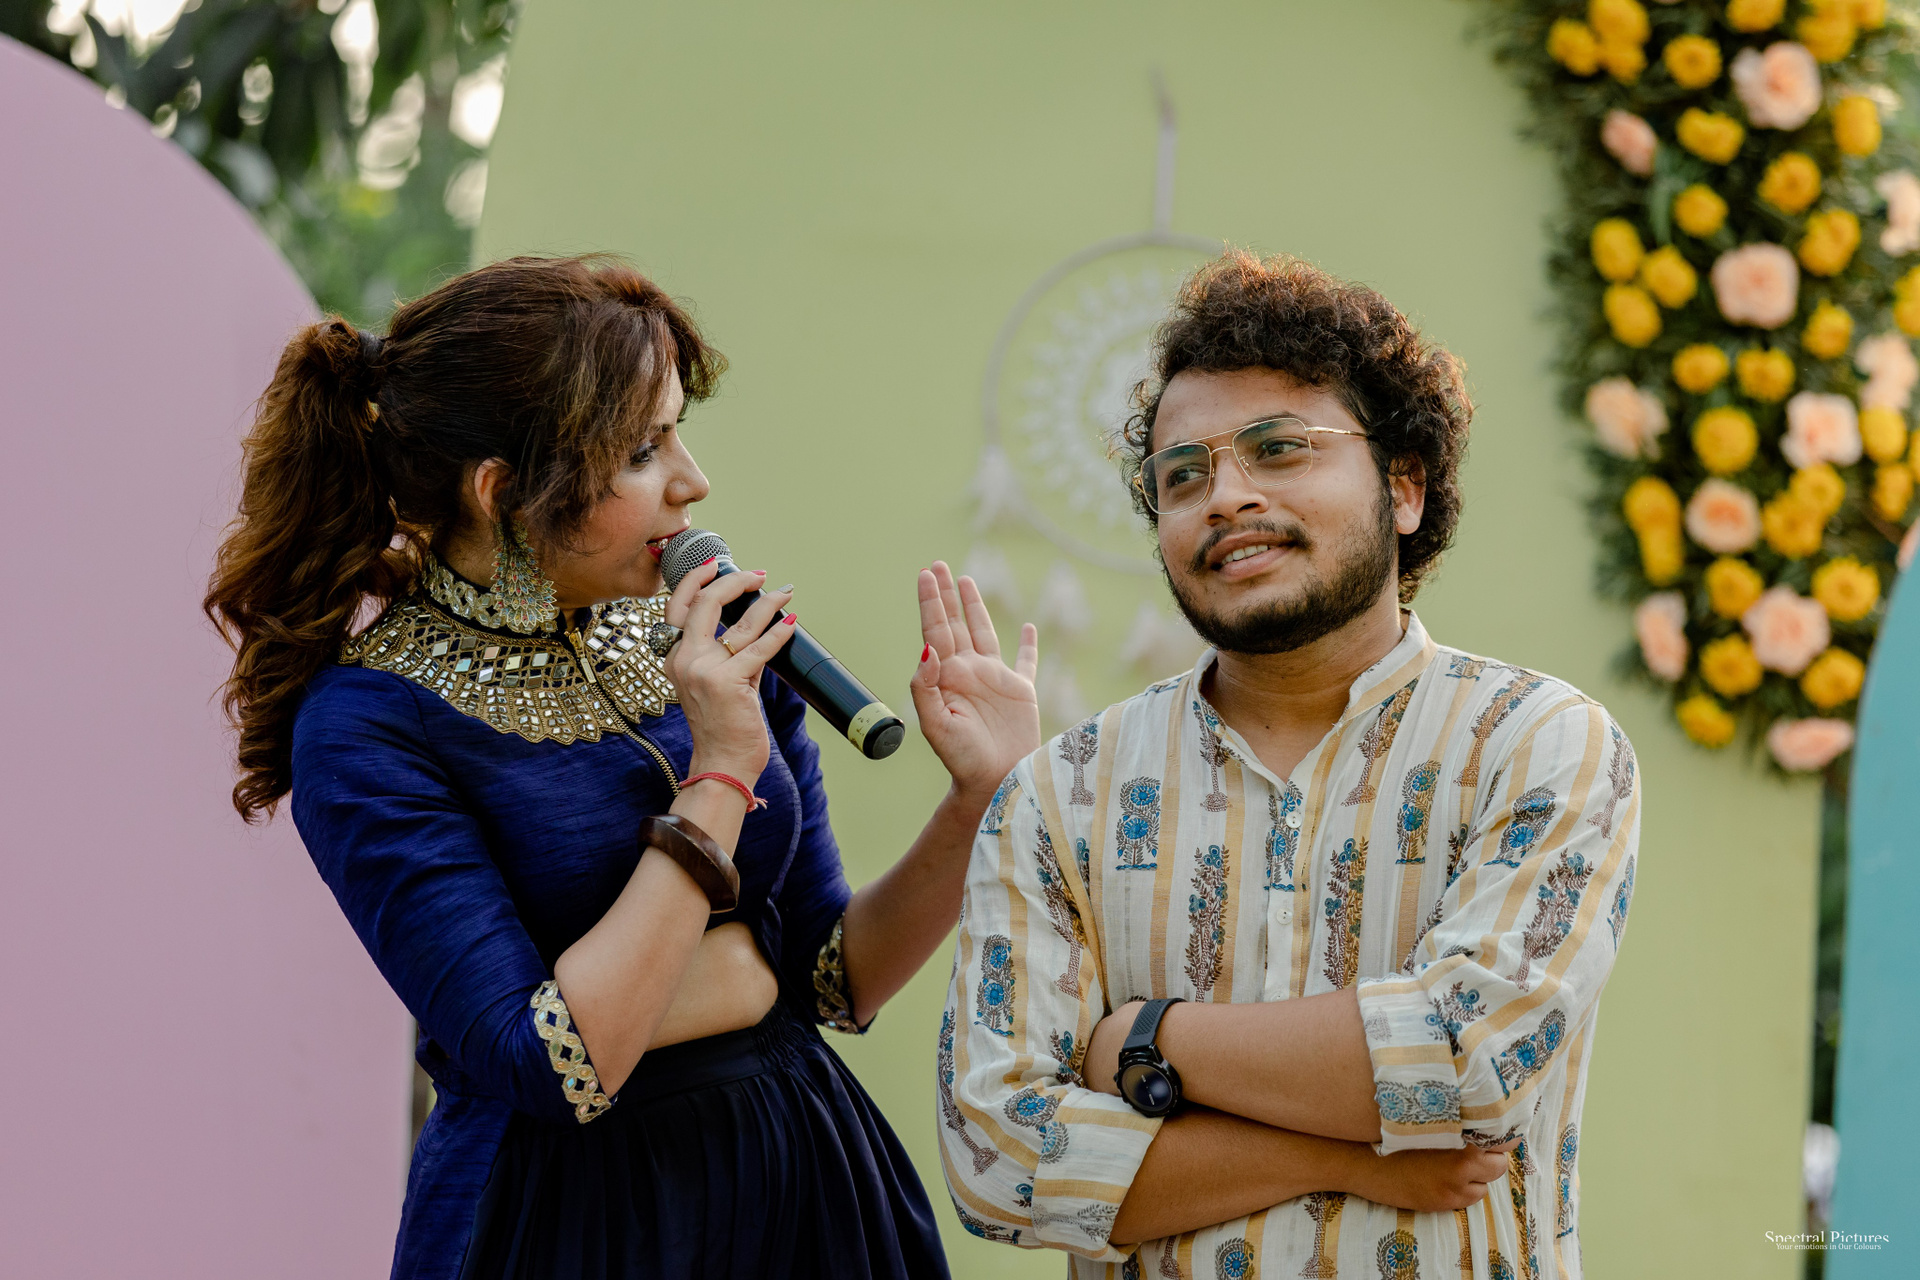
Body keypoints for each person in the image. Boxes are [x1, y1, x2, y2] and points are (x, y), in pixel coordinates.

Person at [204, 255, 1042, 1280]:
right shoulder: (366, 725)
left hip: (803, 1180)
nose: (693, 481)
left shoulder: (707, 641)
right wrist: (720, 775)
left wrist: (980, 799)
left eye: (678, 431)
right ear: (502, 492)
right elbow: (557, 1062)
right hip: (569, 1217)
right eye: (643, 449)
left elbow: (827, 975)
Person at [939, 251, 1639, 1280]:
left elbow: (1468, 1061)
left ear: (1405, 486)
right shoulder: (1062, 794)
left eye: (1278, 449)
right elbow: (996, 1157)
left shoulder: (1535, 742)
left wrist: (1143, 1040)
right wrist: (1345, 1154)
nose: (1226, 496)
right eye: (1183, 475)